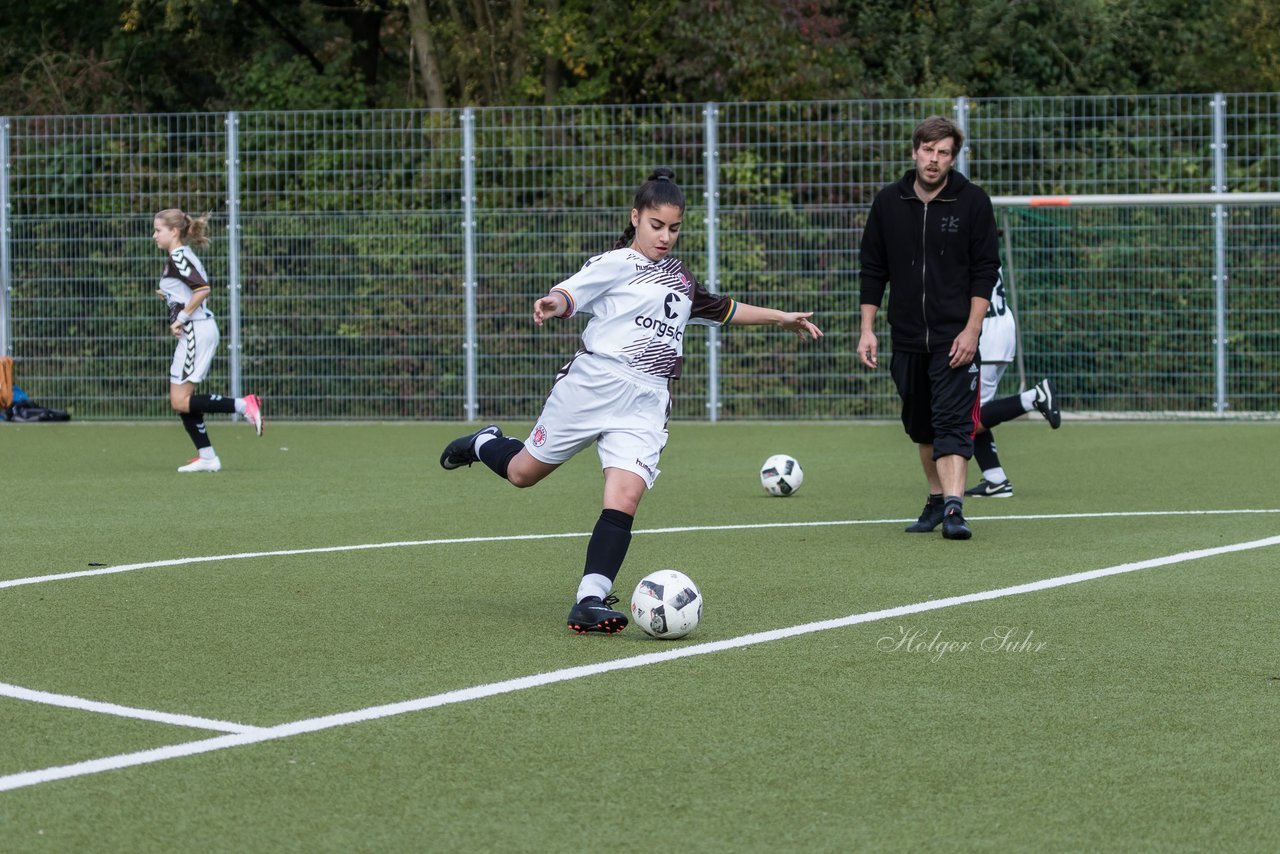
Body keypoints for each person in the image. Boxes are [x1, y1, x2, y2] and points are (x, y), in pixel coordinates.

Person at [439, 168, 823, 634]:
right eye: (656, 225)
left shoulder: (681, 281)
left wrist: (781, 317)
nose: (665, 236)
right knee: (522, 473)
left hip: (646, 400)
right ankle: (484, 442)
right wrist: (554, 303)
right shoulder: (617, 263)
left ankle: (589, 600)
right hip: (593, 384)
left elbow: (724, 309)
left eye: (674, 228)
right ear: (636, 218)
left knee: (625, 497)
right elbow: (571, 291)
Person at [856, 115, 999, 540]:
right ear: (915, 150)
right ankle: (936, 501)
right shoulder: (887, 202)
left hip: (955, 337)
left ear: (953, 158)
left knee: (953, 423)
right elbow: (872, 269)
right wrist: (868, 328)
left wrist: (972, 329)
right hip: (906, 337)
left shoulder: (973, 202)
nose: (934, 160)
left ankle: (955, 509)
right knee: (921, 425)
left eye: (944, 153)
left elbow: (984, 270)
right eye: (928, 150)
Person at [152, 209, 263, 472]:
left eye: (158, 230)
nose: (154, 235)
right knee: (181, 400)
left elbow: (202, 289)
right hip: (197, 331)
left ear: (174, 231)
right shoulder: (178, 257)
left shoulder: (179, 256)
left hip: (197, 332)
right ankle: (207, 457)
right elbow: (186, 290)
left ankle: (244, 405)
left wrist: (183, 317)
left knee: (180, 400)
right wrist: (170, 299)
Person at [964, 266, 1061, 498]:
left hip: (985, 335)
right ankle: (995, 480)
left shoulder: (965, 246)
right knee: (974, 413)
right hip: (999, 328)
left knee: (970, 420)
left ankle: (1033, 398)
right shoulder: (983, 244)